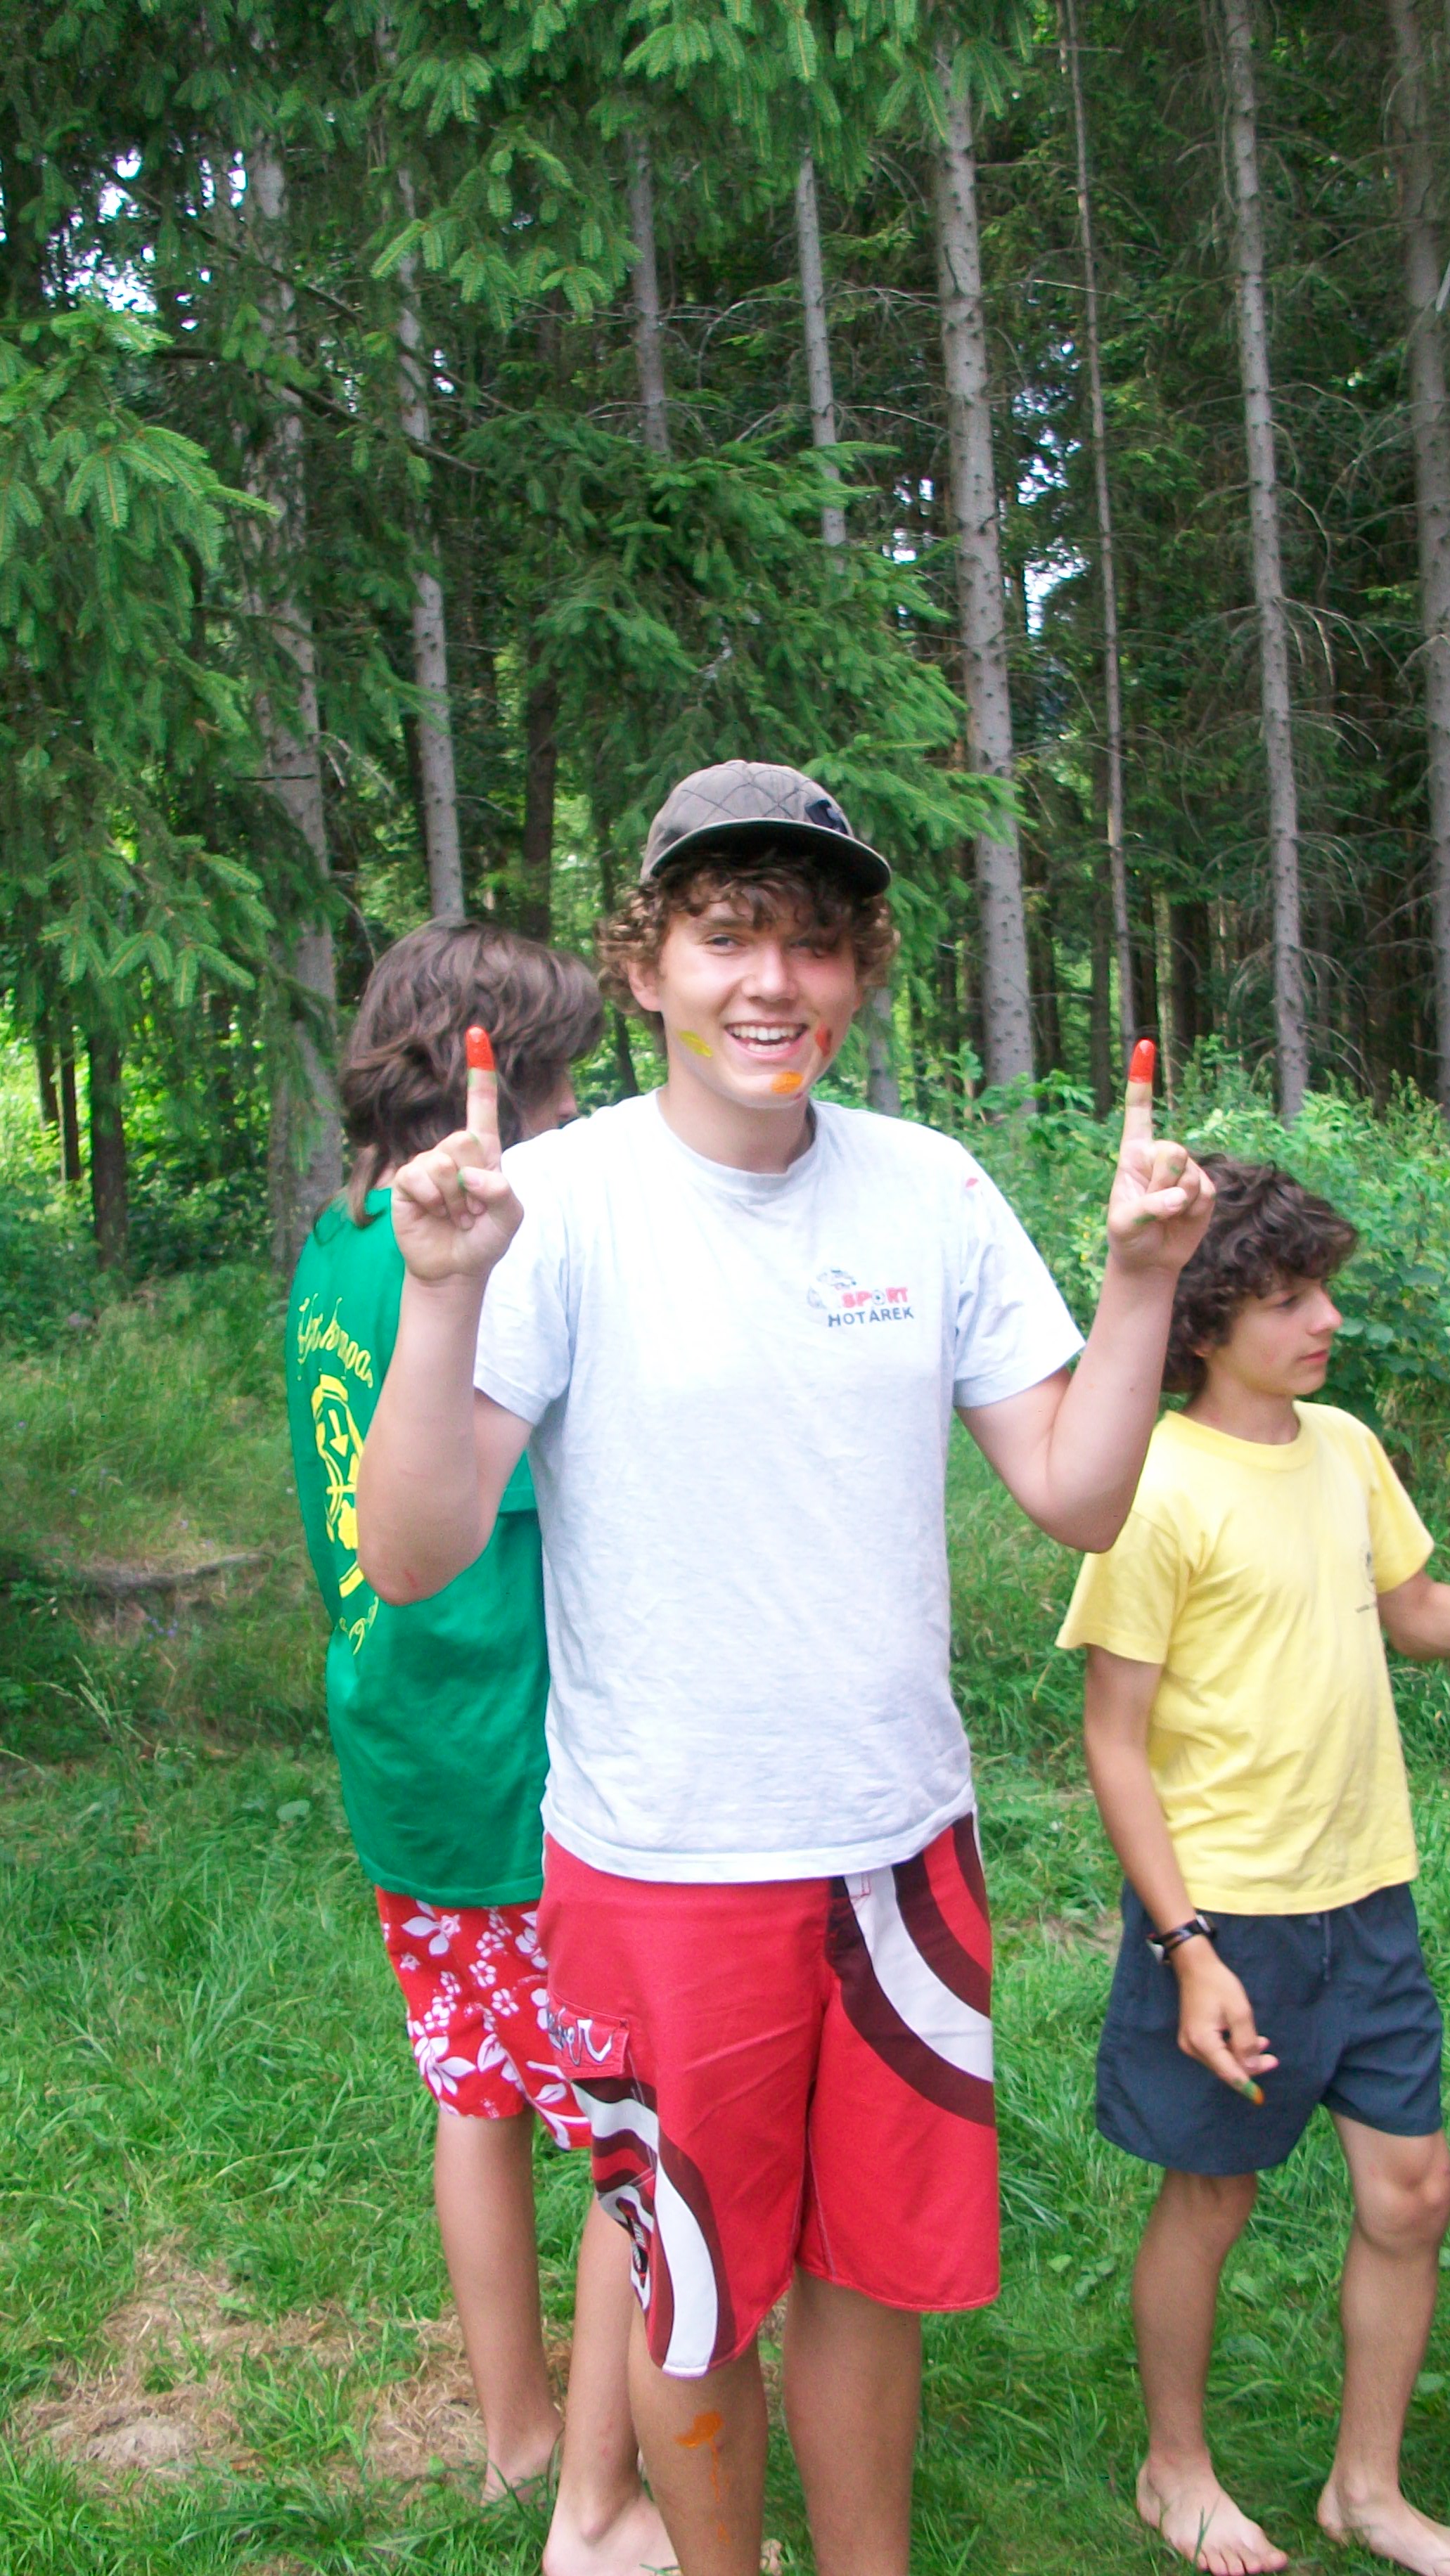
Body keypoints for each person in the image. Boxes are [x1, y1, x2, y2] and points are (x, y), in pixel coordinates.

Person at [354, 760, 1214, 2576]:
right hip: (660, 1864)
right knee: (685, 2296)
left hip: (900, 1856)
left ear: (858, 974)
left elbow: (1073, 1494)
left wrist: (1138, 1284)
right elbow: (413, 1553)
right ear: (646, 962)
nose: (772, 981)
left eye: (814, 942)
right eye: (726, 934)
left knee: (867, 2277)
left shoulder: (929, 1190)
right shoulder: (555, 1202)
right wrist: (439, 1294)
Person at [286, 920, 672, 2576]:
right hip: (519, 1761)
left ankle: (518, 2430)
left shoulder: (337, 1242)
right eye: (565, 1083)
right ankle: (601, 2480)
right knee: (622, 2117)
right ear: (487, 1089)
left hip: (402, 1752)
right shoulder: (474, 1266)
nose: (580, 1115)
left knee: (474, 2092)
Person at [1058, 1154, 1450, 2576]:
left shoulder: (1341, 1445)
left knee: (1413, 2194)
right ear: (1204, 1320)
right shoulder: (1151, 1485)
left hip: (1367, 1894)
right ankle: (1174, 2468)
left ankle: (1365, 2489)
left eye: (1321, 1287)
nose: (1324, 1317)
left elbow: (1415, 1614)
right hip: (1227, 1917)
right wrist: (1186, 1949)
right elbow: (1112, 1740)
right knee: (1211, 2196)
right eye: (1287, 1298)